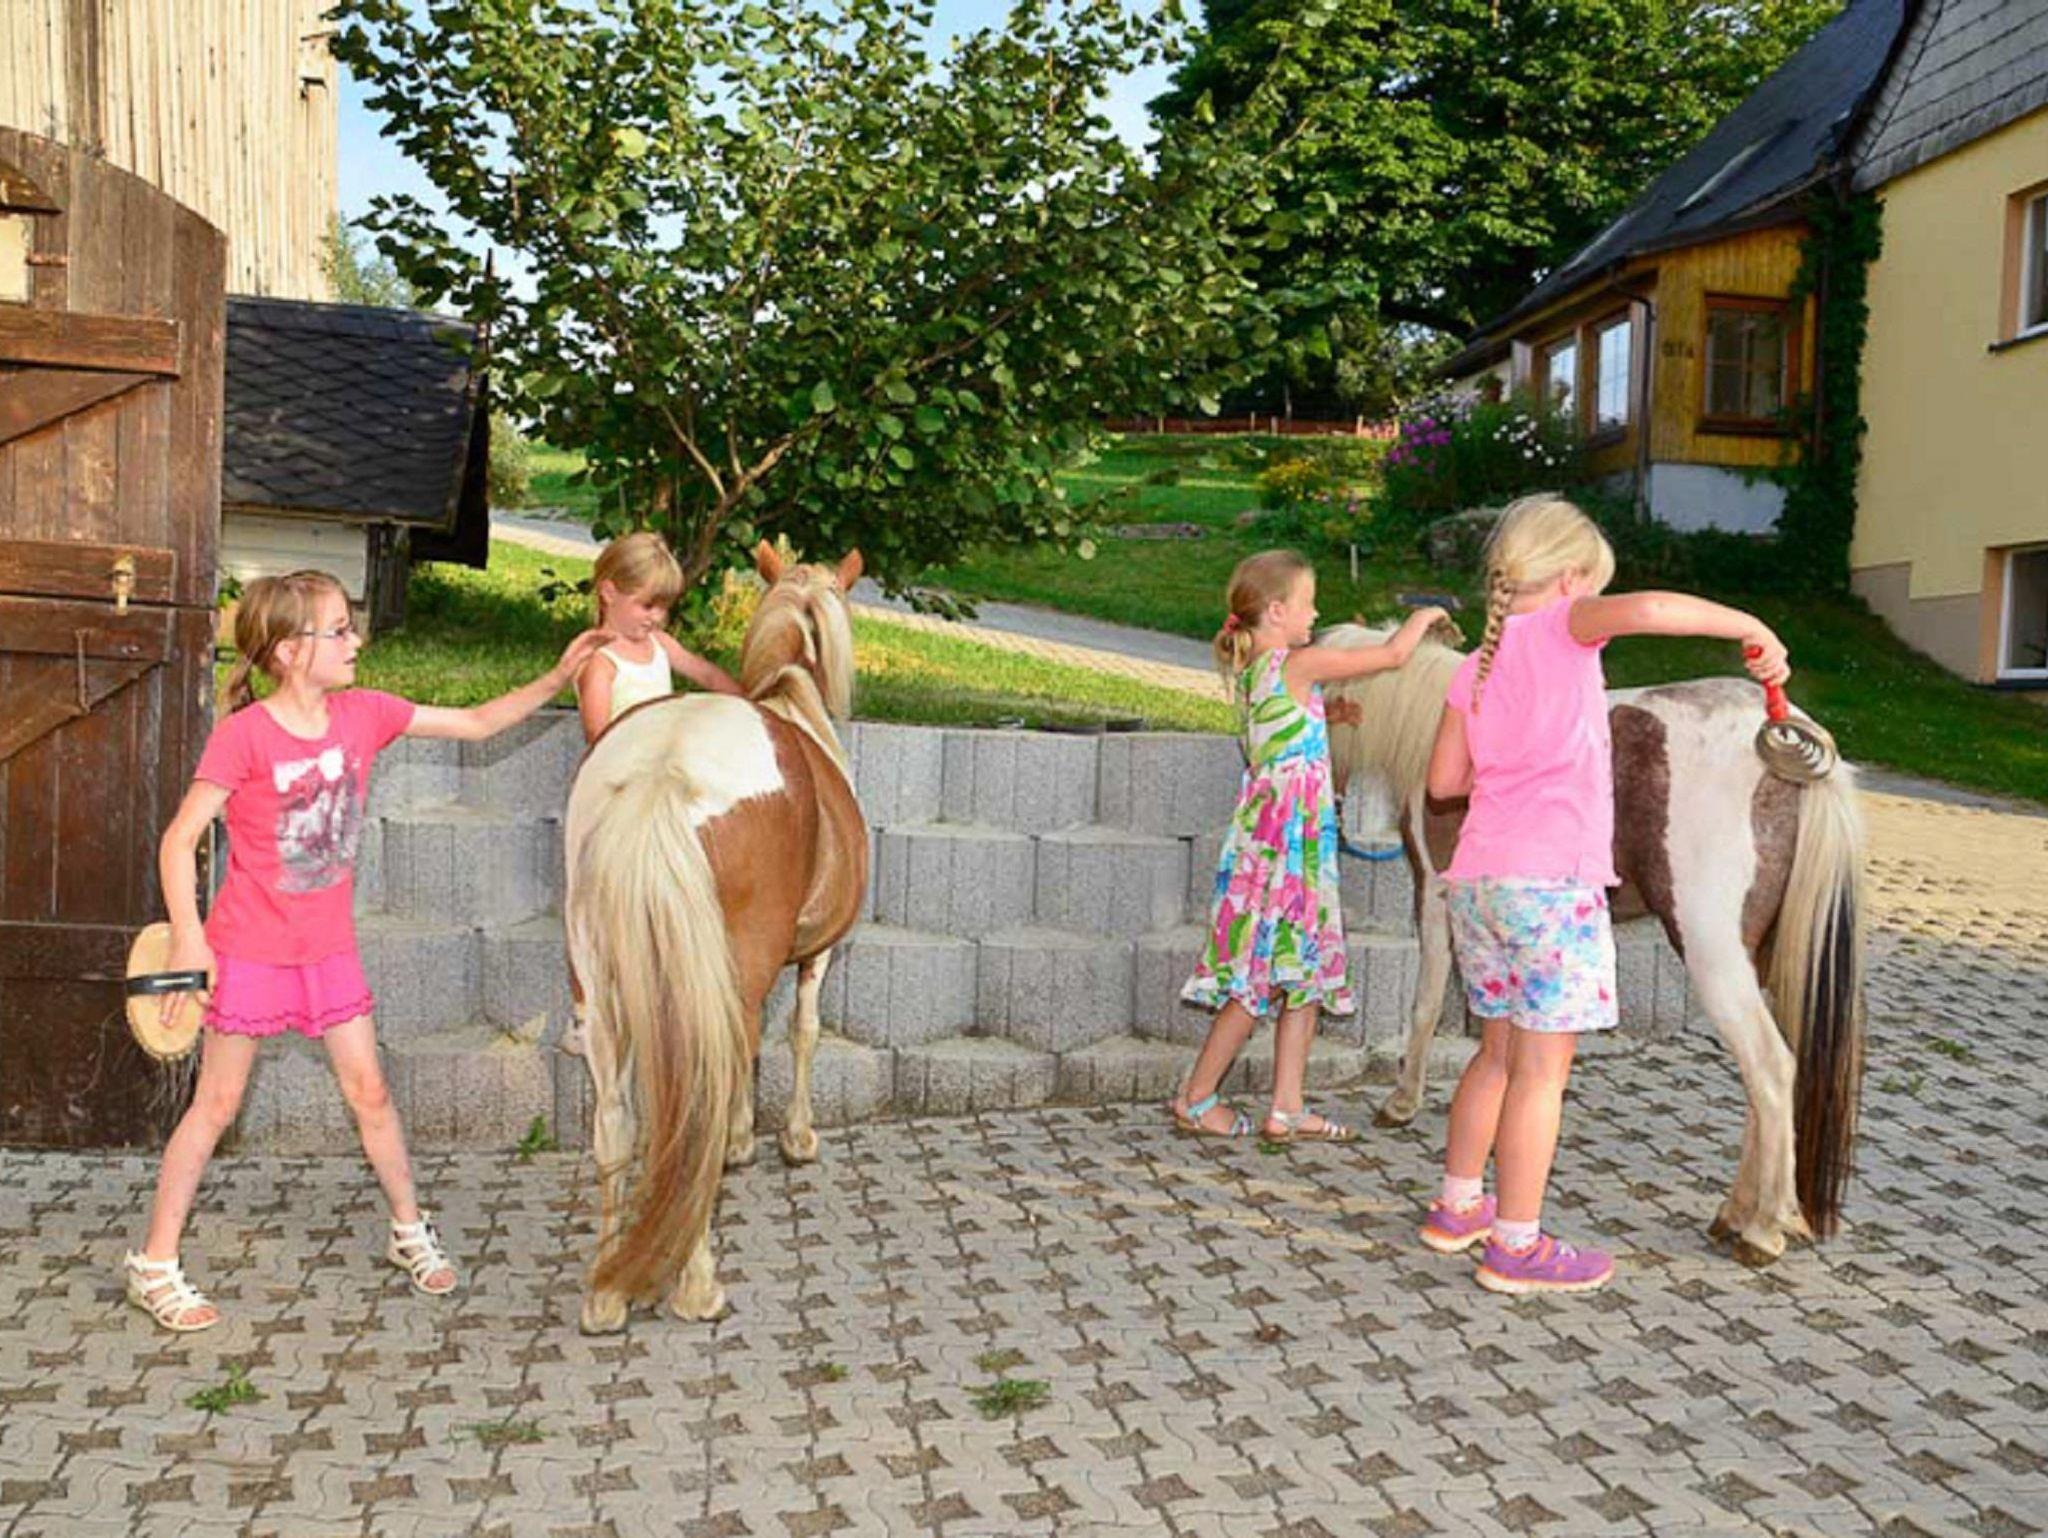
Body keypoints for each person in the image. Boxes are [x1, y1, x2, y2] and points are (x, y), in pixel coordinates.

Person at [124, 571, 610, 1331]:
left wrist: (557, 677)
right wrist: (191, 935)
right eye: (339, 630)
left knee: (371, 1094)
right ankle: (154, 1264)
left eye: (352, 627)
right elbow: (179, 840)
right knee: (215, 1105)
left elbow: (476, 722)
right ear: (289, 652)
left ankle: (407, 1229)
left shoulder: (366, 714)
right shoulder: (244, 735)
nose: (356, 641)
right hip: (247, 951)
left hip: (328, 952)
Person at [1420, 496, 1788, 1294]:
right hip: (1550, 884)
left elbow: (1444, 781)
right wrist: (1750, 626)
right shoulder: (1565, 624)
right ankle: (1516, 1247)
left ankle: (1457, 1207)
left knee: (1495, 1054)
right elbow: (1653, 610)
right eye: (1594, 583)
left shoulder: (1470, 668)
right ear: (1571, 577)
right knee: (1542, 1075)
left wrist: (1511, 769)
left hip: (1478, 883)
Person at [1174, 549, 1448, 1143]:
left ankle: (1288, 1108)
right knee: (1257, 979)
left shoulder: (1258, 672)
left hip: (1281, 847)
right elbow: (1393, 656)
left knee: (1302, 973)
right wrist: (1425, 618)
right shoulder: (1299, 663)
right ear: (1276, 612)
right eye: (1308, 603)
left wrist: (1330, 714)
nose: (1316, 613)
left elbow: (1281, 734)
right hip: (1287, 849)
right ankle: (1195, 1098)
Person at [575, 531, 742, 742]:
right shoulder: (601, 662)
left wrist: (751, 701)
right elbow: (597, 738)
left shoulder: (660, 643)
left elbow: (707, 674)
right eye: (648, 606)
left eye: (664, 607)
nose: (657, 617)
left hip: (662, 751)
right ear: (609, 593)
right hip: (625, 758)